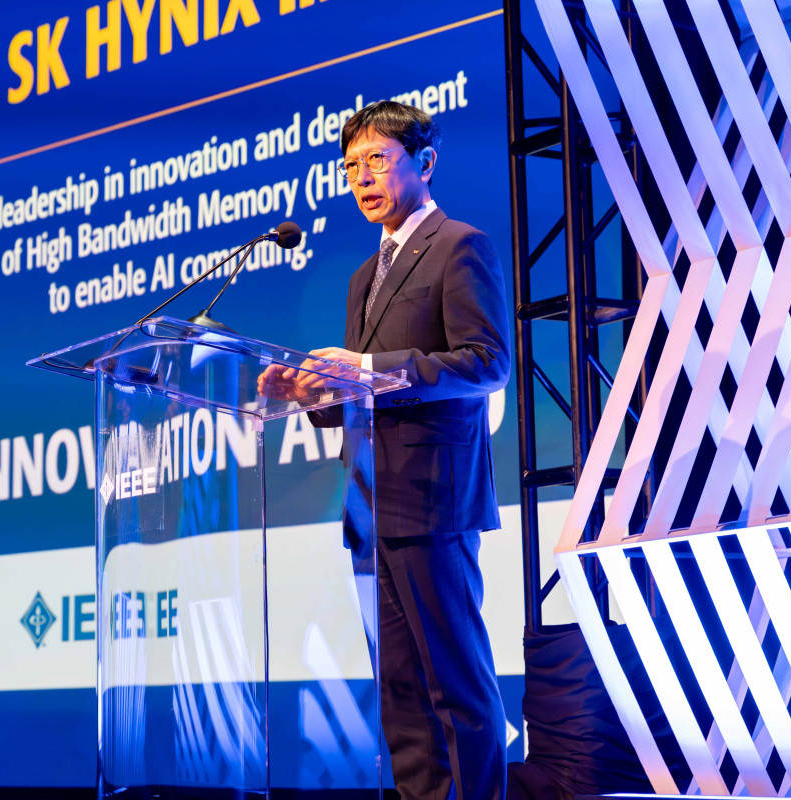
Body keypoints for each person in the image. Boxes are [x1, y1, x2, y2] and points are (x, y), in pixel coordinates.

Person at [262, 100, 510, 800]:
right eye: (350, 167)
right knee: (401, 696)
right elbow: (360, 396)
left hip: (435, 499)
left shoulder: (459, 246)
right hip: (370, 504)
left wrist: (367, 368)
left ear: (424, 163)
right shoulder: (362, 278)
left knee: (456, 687)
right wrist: (310, 395)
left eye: (377, 159)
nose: (362, 177)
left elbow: (486, 362)